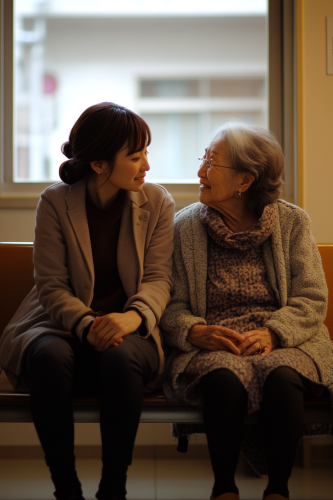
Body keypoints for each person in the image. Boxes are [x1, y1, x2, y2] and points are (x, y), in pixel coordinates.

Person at [0, 102, 174, 500]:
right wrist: (89, 324)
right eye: (135, 156)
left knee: (121, 356)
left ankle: (113, 487)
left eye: (146, 152)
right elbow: (51, 285)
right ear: (99, 164)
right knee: (48, 356)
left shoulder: (158, 202)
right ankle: (67, 488)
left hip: (131, 330)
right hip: (60, 324)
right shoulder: (55, 201)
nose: (146, 164)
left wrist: (132, 318)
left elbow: (159, 278)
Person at [160, 122, 333, 500]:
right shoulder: (185, 227)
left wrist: (274, 333)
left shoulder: (291, 222)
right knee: (224, 375)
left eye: (211, 163)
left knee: (282, 374)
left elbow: (312, 297)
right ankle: (224, 490)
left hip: (287, 337)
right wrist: (193, 331)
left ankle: (278, 491)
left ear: (245, 180)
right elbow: (169, 302)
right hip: (215, 343)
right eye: (203, 159)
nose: (200, 172)